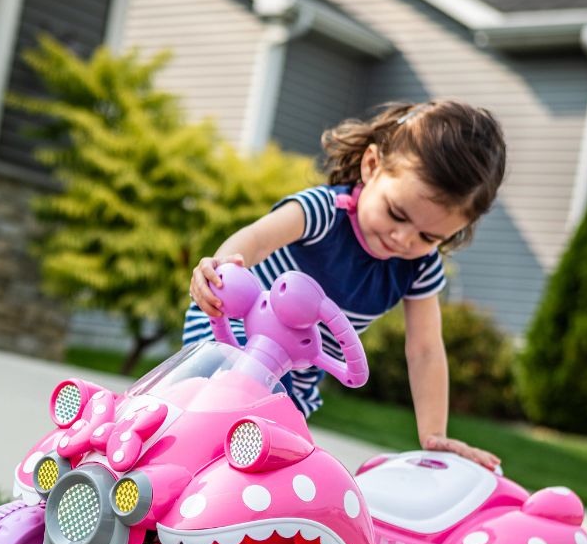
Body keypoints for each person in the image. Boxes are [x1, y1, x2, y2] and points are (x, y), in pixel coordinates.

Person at [186, 100, 505, 470]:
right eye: (396, 213)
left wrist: (434, 435)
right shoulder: (324, 211)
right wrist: (220, 271)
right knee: (211, 431)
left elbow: (426, 349)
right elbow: (255, 241)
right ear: (372, 166)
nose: (403, 238)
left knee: (256, 464)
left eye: (429, 236)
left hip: (297, 374)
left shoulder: (419, 268)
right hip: (233, 337)